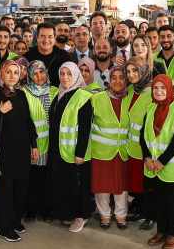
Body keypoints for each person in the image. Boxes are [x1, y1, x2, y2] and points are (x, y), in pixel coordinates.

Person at [0, 60, 38, 242]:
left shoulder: (20, 95)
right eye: (9, 72)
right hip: (4, 152)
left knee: (21, 188)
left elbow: (28, 121)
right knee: (6, 191)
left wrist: (34, 144)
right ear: (1, 73)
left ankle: (15, 221)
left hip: (22, 150)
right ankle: (4, 227)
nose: (13, 76)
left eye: (16, 72)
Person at [140, 75, 174, 249]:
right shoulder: (151, 108)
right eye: (155, 88)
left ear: (169, 89)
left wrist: (161, 161)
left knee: (173, 202)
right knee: (159, 200)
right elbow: (143, 136)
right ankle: (162, 231)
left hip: (172, 167)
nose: (159, 92)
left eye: (163, 88)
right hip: (153, 167)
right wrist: (147, 158)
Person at [46, 62, 93, 233]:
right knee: (65, 183)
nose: (65, 78)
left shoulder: (83, 97)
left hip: (76, 151)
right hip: (59, 149)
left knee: (78, 184)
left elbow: (85, 128)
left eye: (69, 74)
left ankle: (81, 215)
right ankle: (68, 212)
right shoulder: (59, 94)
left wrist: (80, 152)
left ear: (76, 76)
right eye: (62, 73)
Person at [91, 65, 130, 231]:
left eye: (122, 77)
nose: (118, 81)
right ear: (109, 80)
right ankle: (104, 214)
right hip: (101, 150)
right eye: (114, 77)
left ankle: (121, 214)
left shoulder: (130, 98)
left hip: (123, 151)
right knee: (102, 184)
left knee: (122, 184)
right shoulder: (97, 98)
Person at [124, 57, 157, 231]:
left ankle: (152, 215)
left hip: (148, 148)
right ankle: (142, 211)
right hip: (133, 147)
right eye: (128, 71)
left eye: (135, 70)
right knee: (141, 184)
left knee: (150, 184)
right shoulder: (131, 89)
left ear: (144, 70)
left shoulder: (152, 92)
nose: (131, 75)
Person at [23, 60, 57, 223]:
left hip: (52, 144)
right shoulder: (25, 92)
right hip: (33, 145)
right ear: (30, 75)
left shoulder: (56, 91)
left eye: (41, 72)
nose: (39, 76)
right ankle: (31, 209)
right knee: (32, 178)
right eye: (35, 73)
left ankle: (46, 209)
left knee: (47, 178)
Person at [23, 22, 71, 87]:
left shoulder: (64, 56)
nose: (46, 40)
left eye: (50, 37)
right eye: (42, 36)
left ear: (54, 38)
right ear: (37, 37)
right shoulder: (27, 57)